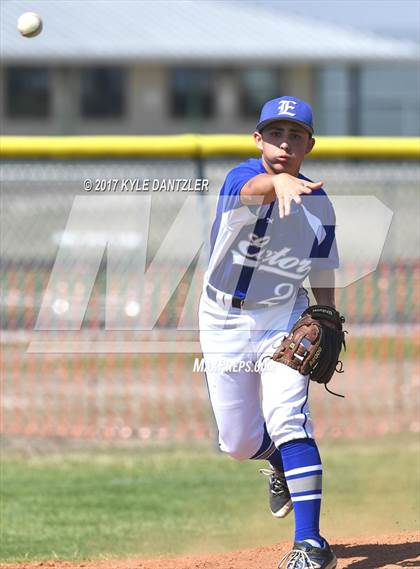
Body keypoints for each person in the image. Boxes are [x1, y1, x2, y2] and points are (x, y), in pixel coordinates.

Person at [199, 96, 339, 569]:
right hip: (223, 319)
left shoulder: (319, 202)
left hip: (283, 317)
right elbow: (252, 190)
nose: (284, 143)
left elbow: (322, 265)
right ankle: (275, 459)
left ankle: (310, 544)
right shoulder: (243, 178)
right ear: (258, 139)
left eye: (294, 135)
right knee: (237, 443)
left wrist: (329, 317)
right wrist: (277, 180)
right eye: (275, 134)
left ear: (309, 144)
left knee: (288, 418)